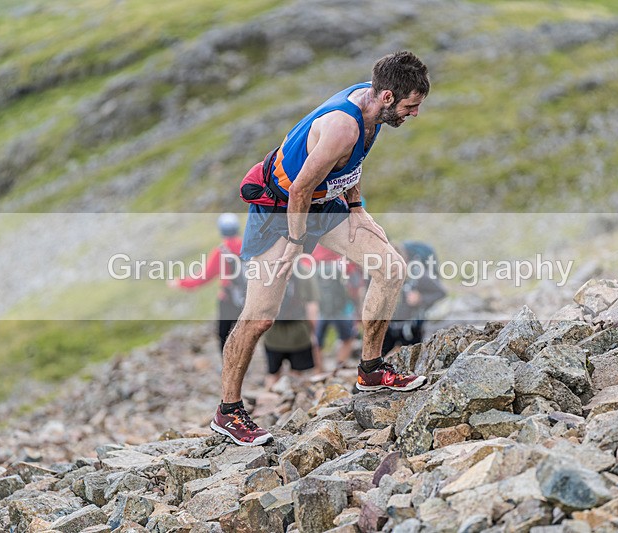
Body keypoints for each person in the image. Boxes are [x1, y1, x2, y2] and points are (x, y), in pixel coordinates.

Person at [211, 51, 431, 447]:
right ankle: (228, 412)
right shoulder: (341, 128)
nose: (414, 114)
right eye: (410, 106)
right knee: (260, 317)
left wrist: (358, 208)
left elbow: (351, 166)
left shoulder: (374, 108)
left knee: (391, 268)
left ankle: (370, 368)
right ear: (386, 96)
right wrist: (295, 245)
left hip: (325, 206)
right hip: (280, 212)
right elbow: (298, 190)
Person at [169, 213, 244, 351]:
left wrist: (180, 283)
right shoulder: (247, 246)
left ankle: (229, 369)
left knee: (225, 336)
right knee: (245, 335)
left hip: (228, 300)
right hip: (248, 298)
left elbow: (202, 278)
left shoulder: (221, 251)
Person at [381, 241, 447, 355]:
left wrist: (420, 298)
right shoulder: (388, 277)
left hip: (412, 328)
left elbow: (441, 292)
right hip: (393, 327)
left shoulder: (418, 275)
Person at [263, 260, 321, 388]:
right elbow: (312, 306)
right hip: (299, 335)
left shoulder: (268, 271)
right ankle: (292, 403)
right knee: (297, 374)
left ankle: (267, 402)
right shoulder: (304, 271)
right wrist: (312, 331)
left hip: (272, 334)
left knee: (272, 374)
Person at [312, 244, 358, 370]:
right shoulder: (343, 257)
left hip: (320, 308)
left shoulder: (313, 255)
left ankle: (319, 370)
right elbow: (355, 285)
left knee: (316, 340)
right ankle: (339, 366)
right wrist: (358, 307)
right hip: (342, 309)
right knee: (348, 337)